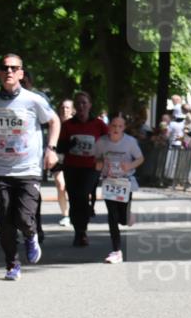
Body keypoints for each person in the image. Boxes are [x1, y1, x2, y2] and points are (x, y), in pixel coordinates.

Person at [0, 53, 60, 281]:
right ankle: (12, 264)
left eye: (14, 68)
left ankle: (31, 235)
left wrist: (51, 149)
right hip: (0, 169)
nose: (9, 71)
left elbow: (54, 121)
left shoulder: (33, 100)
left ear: (21, 72)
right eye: (5, 68)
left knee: (22, 217)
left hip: (28, 169)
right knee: (5, 219)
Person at [58, 91, 106, 246]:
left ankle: (83, 230)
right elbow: (60, 147)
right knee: (74, 199)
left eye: (84, 103)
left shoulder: (99, 125)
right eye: (78, 103)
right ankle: (78, 231)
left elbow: (109, 142)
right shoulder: (67, 125)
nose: (81, 106)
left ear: (90, 105)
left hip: (91, 167)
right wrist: (70, 145)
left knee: (82, 195)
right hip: (72, 167)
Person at [94, 114, 143, 264]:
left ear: (124, 128)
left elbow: (140, 158)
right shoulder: (102, 142)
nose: (116, 129)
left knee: (123, 219)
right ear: (109, 127)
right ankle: (116, 251)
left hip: (125, 182)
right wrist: (99, 165)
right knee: (112, 216)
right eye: (113, 126)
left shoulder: (130, 142)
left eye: (119, 126)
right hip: (109, 182)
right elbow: (97, 158)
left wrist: (129, 166)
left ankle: (128, 216)